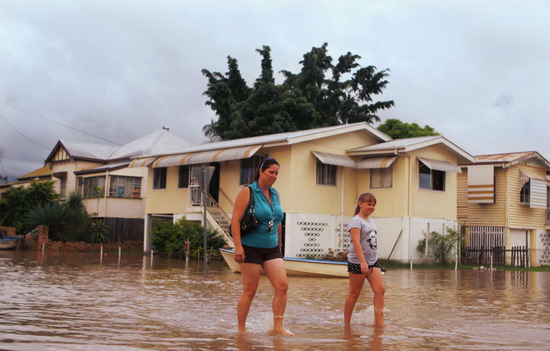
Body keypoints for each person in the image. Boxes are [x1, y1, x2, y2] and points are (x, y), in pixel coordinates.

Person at [231, 157, 293, 335]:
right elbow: (235, 219)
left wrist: (280, 245)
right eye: (271, 172)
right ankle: (241, 329)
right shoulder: (248, 191)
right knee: (250, 290)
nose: (274, 176)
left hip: (272, 247)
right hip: (250, 247)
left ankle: (278, 327)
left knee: (282, 286)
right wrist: (237, 246)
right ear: (261, 171)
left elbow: (278, 220)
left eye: (277, 173)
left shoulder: (275, 194)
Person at [344, 192, 385, 327]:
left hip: (373, 261)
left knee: (380, 290)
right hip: (357, 261)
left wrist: (369, 261)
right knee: (355, 293)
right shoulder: (356, 221)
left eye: (373, 205)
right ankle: (346, 324)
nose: (371, 207)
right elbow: (356, 242)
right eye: (369, 204)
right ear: (360, 204)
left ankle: (379, 323)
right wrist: (362, 262)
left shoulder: (371, 221)